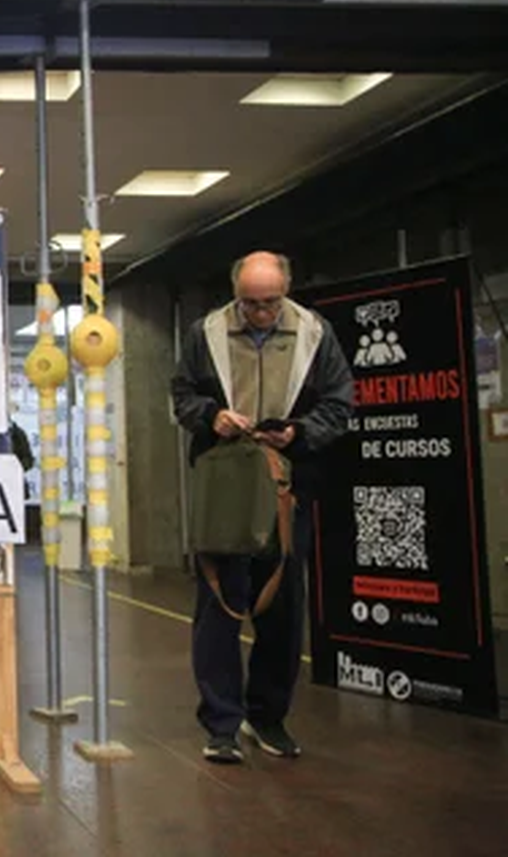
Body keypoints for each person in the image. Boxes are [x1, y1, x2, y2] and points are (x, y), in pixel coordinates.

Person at [171, 251, 352, 764]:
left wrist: (299, 432)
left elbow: (340, 404)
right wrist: (211, 416)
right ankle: (221, 725)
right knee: (218, 605)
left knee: (283, 604)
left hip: (288, 484)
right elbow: (180, 395)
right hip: (225, 484)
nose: (260, 314)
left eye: (270, 303)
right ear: (236, 295)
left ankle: (268, 717)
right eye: (250, 304)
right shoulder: (204, 333)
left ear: (286, 292)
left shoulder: (316, 334)